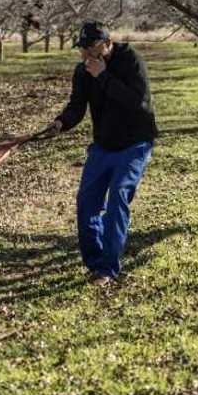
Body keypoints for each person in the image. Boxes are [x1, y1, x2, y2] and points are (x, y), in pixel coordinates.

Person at [40, 21, 158, 286]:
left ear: (107, 43)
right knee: (87, 202)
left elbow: (137, 102)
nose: (86, 55)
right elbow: (77, 105)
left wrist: (103, 76)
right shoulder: (83, 71)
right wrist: (61, 123)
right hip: (103, 144)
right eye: (82, 49)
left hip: (135, 143)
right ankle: (95, 263)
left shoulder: (131, 60)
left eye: (91, 48)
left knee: (118, 198)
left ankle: (108, 269)